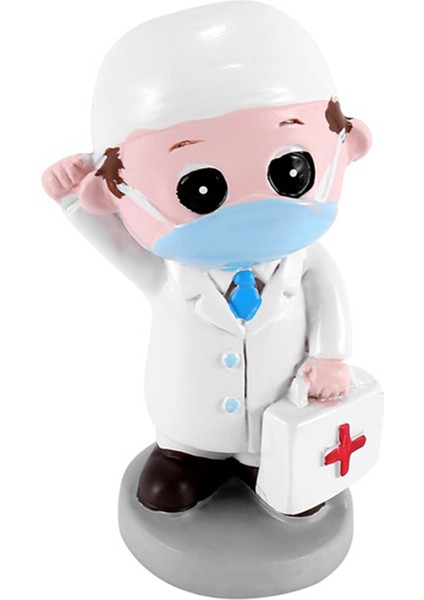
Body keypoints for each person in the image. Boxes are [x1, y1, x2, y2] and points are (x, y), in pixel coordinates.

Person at [42, 1, 371, 513]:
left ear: (349, 145)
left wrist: (330, 357)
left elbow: (331, 299)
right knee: (168, 483)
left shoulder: (306, 261)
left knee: (288, 481)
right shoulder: (168, 276)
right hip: (190, 417)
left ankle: (264, 462)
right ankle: (188, 457)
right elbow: (114, 242)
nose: (249, 213)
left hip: (281, 415)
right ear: (111, 195)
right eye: (200, 188)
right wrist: (70, 197)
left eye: (291, 171)